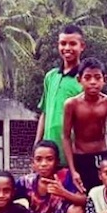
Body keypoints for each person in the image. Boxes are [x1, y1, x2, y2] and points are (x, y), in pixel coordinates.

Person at [62, 57, 107, 193]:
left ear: (105, 79)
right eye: (88, 78)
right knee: (82, 199)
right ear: (79, 80)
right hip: (80, 158)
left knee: (105, 196)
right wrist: (73, 170)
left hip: (102, 156)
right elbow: (66, 137)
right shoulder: (71, 104)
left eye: (97, 77)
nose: (93, 82)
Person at [35, 24, 85, 166]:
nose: (67, 48)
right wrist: (37, 145)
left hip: (72, 155)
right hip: (48, 154)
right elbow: (44, 114)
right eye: (63, 43)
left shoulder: (84, 81)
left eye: (72, 44)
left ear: (82, 46)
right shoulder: (50, 77)